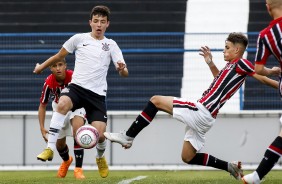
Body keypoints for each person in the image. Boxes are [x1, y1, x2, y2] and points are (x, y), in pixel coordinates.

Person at [104, 32, 279, 180]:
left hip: (202, 110)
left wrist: (276, 81)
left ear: (237, 49)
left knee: (155, 100)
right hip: (207, 117)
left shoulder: (241, 63)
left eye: (227, 47)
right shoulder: (232, 67)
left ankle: (128, 136)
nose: (224, 50)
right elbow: (219, 80)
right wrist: (210, 62)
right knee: (187, 157)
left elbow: (260, 76)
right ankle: (230, 167)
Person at [33, 5, 129, 178]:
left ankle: (100, 158)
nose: (99, 24)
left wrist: (122, 69)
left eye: (103, 22)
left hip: (97, 96)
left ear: (108, 24)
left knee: (100, 135)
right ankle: (49, 149)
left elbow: (124, 73)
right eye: (96, 21)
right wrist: (41, 68)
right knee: (61, 104)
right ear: (90, 22)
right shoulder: (78, 39)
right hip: (77, 89)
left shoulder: (111, 45)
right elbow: (58, 56)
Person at [242, 0, 282, 183]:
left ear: (268, 8)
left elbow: (258, 69)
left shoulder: (266, 35)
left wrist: (272, 71)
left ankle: (257, 176)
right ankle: (257, 176)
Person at [38, 58, 86, 179]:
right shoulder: (49, 82)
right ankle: (66, 161)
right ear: (50, 68)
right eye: (54, 66)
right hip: (59, 108)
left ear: (65, 66)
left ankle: (78, 169)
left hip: (76, 106)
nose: (58, 68)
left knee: (77, 131)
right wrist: (42, 127)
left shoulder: (74, 77)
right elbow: (42, 105)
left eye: (60, 65)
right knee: (60, 145)